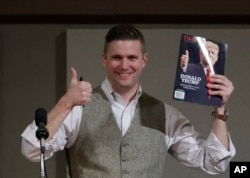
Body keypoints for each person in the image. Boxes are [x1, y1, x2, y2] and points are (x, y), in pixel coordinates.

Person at [21, 24, 235, 178]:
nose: (124, 65)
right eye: (116, 57)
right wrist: (66, 102)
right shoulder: (78, 109)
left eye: (132, 58)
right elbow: (31, 149)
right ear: (104, 60)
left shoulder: (165, 115)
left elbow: (213, 162)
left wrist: (219, 109)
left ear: (144, 61)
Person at [176, 40, 223, 106]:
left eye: (213, 53)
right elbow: (181, 78)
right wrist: (183, 68)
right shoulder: (189, 67)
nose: (210, 54)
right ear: (200, 54)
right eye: (207, 51)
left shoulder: (220, 80)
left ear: (216, 58)